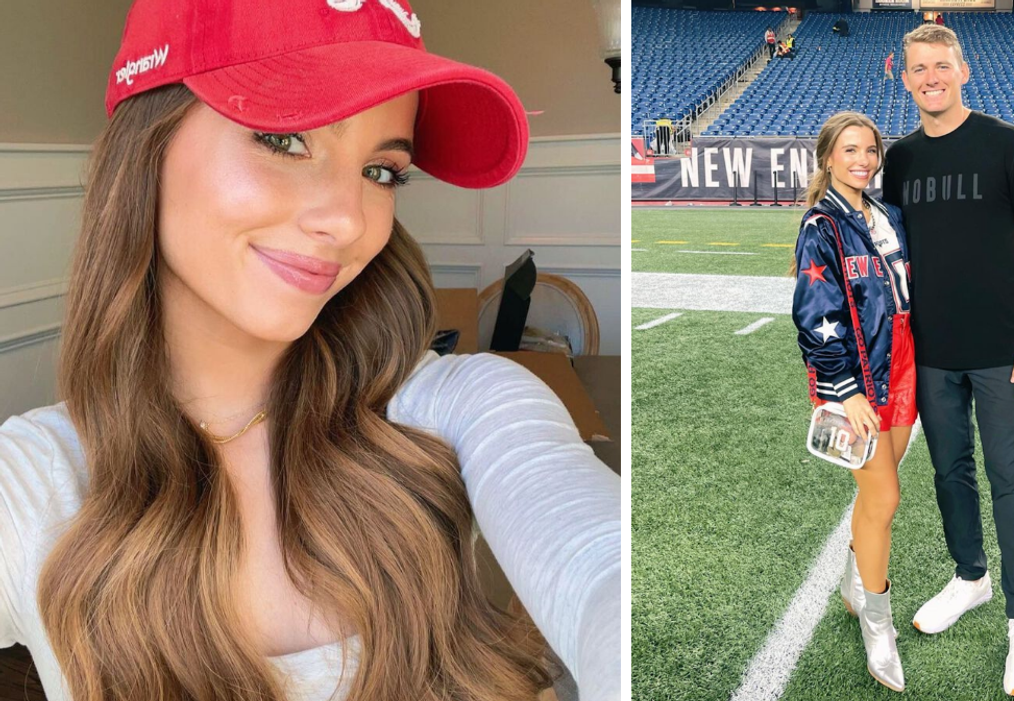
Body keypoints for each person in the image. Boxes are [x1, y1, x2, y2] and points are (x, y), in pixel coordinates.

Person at [0, 1, 622, 701]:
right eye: (283, 137)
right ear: (146, 145)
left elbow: (602, 569)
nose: (347, 219)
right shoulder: (32, 481)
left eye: (382, 171)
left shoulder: (457, 407)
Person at [881, 24, 1014, 698]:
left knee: (1013, 479)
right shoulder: (899, 160)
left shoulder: (1005, 145)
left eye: (941, 65)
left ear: (963, 70)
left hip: (1003, 348)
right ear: (904, 78)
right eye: (918, 68)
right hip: (931, 352)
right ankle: (969, 576)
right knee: (948, 470)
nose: (930, 77)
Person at [792, 112, 917, 693]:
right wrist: (846, 390)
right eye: (850, 150)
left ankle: (849, 582)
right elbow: (816, 314)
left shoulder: (886, 214)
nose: (863, 159)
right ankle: (877, 625)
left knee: (877, 495)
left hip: (904, 364)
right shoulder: (822, 226)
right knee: (884, 495)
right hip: (859, 377)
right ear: (827, 158)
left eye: (870, 149)